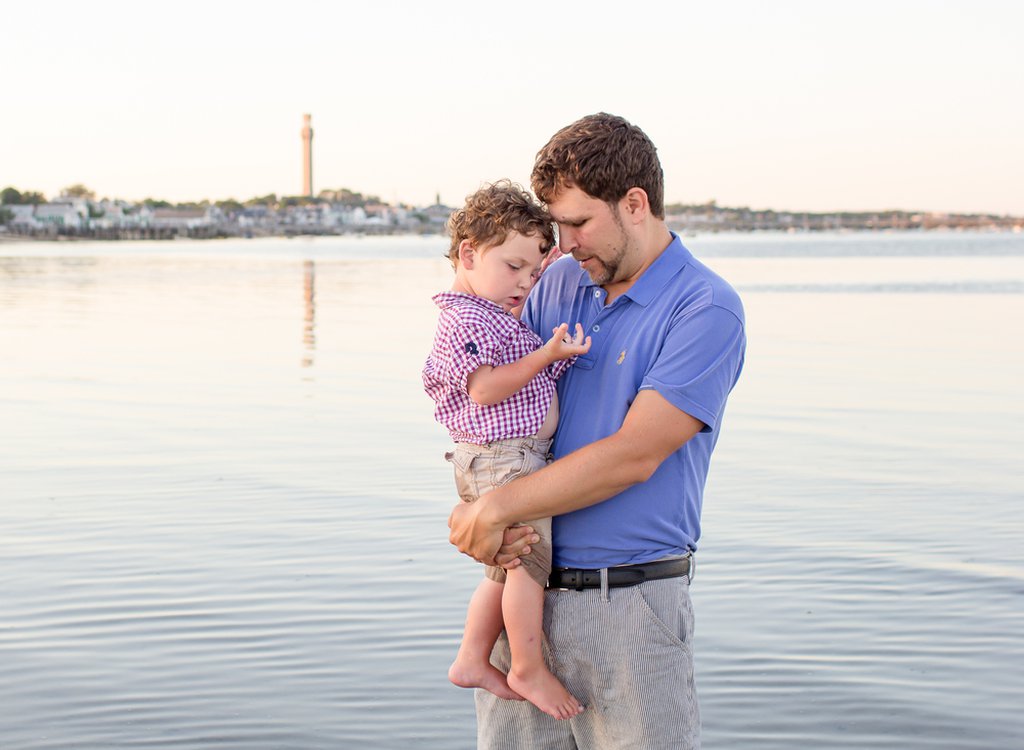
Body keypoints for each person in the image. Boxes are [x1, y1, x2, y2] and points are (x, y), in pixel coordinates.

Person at [447, 114, 747, 749]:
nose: (565, 243)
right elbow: (488, 390)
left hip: (631, 609)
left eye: (579, 223)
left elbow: (633, 456)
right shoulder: (555, 281)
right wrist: (481, 498)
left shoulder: (705, 308)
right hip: (521, 592)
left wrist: (496, 507)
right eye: (558, 226)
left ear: (635, 204)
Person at [423, 181, 591, 721]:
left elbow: (541, 258)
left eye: (534, 272)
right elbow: (486, 387)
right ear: (469, 253)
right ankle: (527, 666)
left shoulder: (490, 309)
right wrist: (546, 354)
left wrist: (556, 249)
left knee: (500, 571)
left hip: (503, 458)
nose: (525, 282)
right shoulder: (467, 318)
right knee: (526, 567)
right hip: (504, 460)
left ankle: (472, 658)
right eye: (513, 267)